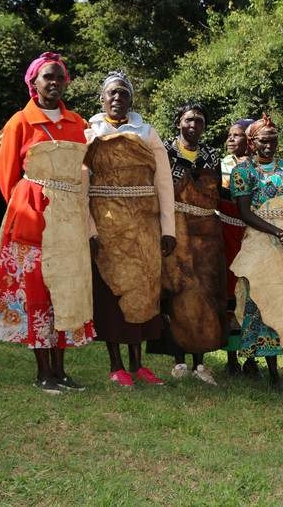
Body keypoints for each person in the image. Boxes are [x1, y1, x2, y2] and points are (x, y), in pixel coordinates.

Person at [0, 52, 94, 394]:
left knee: (66, 288)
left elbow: (85, 172)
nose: (54, 83)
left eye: (60, 77)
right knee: (37, 294)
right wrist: (30, 203)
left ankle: (61, 371)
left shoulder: (79, 123)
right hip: (32, 217)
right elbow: (7, 179)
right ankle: (43, 373)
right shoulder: (20, 121)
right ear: (34, 82)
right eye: (48, 77)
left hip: (69, 219)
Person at [85, 71, 176, 387]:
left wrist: (169, 229)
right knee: (112, 293)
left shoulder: (147, 133)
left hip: (144, 227)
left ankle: (139, 364)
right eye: (112, 94)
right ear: (102, 99)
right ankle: (116, 364)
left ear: (130, 100)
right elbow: (81, 184)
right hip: (107, 226)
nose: (117, 99)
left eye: (123, 94)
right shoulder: (88, 133)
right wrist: (89, 230)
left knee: (144, 292)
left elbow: (164, 183)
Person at [229, 114, 283, 388]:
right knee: (264, 300)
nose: (270, 146)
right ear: (252, 143)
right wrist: (279, 232)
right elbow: (244, 212)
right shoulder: (243, 172)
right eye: (264, 141)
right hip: (262, 240)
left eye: (274, 140)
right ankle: (273, 372)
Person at [146, 102, 226, 385]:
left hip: (206, 235)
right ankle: (179, 360)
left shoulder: (211, 155)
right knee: (177, 293)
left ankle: (201, 363)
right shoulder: (164, 152)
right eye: (189, 120)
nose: (194, 125)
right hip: (175, 229)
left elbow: (218, 194)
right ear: (178, 122)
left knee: (206, 295)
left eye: (200, 121)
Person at [218, 119, 260, 378]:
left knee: (252, 297)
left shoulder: (261, 166)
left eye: (237, 136)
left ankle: (252, 357)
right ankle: (231, 356)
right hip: (225, 234)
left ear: (250, 140)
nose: (231, 140)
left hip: (253, 235)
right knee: (229, 296)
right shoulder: (220, 166)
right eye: (229, 136)